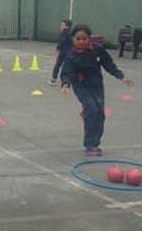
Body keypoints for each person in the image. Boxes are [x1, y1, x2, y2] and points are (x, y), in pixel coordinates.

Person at [60, 24, 132, 156]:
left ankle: (95, 142)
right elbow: (67, 71)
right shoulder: (71, 55)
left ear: (89, 38)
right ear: (73, 39)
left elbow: (108, 63)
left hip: (97, 85)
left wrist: (121, 77)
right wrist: (65, 84)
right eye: (78, 39)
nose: (81, 42)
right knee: (92, 110)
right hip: (81, 86)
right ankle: (90, 145)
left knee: (100, 114)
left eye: (84, 39)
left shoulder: (97, 49)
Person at [48, 19, 73, 86]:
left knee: (60, 66)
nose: (61, 26)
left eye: (62, 25)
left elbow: (62, 41)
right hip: (66, 52)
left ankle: (55, 79)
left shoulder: (65, 33)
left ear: (67, 27)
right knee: (64, 66)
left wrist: (58, 48)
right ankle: (58, 79)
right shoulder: (68, 33)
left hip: (65, 53)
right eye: (61, 25)